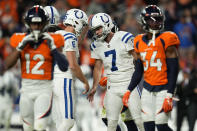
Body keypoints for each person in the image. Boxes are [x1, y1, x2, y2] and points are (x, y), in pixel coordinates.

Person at [4, 5, 69, 131]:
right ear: (28, 24)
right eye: (34, 24)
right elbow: (6, 65)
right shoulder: (20, 39)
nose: (37, 27)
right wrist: (21, 47)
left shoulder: (53, 39)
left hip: (44, 89)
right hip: (26, 90)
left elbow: (64, 67)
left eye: (39, 24)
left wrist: (53, 48)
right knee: (28, 129)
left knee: (40, 127)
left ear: (45, 24)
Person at [122, 5, 180, 131]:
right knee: (147, 125)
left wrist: (169, 94)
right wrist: (128, 90)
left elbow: (174, 70)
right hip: (147, 89)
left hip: (164, 88)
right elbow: (138, 71)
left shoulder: (167, 38)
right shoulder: (137, 41)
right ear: (144, 21)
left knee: (161, 124)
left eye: (158, 19)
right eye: (152, 20)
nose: (156, 23)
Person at [87, 13, 144, 131]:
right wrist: (94, 87)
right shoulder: (96, 45)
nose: (97, 32)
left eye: (98, 28)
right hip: (112, 87)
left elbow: (138, 60)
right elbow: (97, 67)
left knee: (139, 120)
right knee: (110, 123)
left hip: (129, 84)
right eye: (95, 30)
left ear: (107, 24)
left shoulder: (124, 37)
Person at [52, 8, 90, 131]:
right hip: (65, 80)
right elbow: (72, 65)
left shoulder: (58, 34)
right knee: (68, 122)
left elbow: (75, 44)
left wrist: (85, 29)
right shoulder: (70, 37)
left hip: (52, 80)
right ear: (78, 22)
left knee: (59, 122)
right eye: (82, 24)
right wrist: (85, 81)